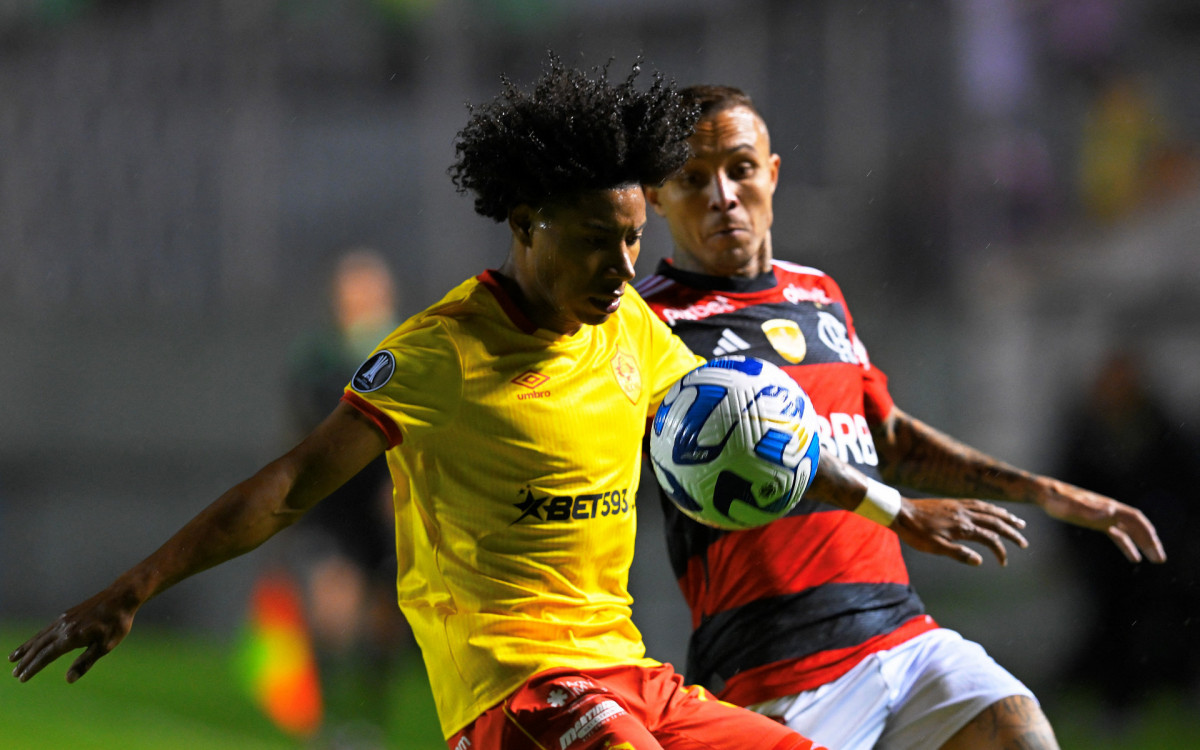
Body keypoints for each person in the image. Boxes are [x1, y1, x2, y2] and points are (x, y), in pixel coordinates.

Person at [9, 58, 827, 750]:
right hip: (516, 690)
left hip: (629, 668)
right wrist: (137, 585)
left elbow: (746, 434)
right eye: (593, 240)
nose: (620, 266)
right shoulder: (439, 354)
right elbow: (290, 486)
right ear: (524, 223)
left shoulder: (629, 328)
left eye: (632, 239)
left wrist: (897, 508)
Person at [635, 84, 1167, 750]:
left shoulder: (818, 295)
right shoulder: (647, 327)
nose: (723, 195)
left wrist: (1045, 492)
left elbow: (886, 438)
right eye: (692, 179)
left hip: (902, 634)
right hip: (772, 669)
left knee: (1023, 732)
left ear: (771, 173)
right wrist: (899, 511)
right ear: (655, 196)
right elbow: (761, 456)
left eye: (740, 168)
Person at [284, 247, 409, 744]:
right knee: (331, 603)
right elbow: (307, 423)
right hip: (334, 500)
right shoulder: (319, 355)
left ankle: (372, 713)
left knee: (383, 610)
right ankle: (329, 715)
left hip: (384, 498)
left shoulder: (407, 346)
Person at [1054, 349, 1200, 718]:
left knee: (1171, 618)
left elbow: (1185, 483)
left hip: (1161, 547)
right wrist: (1077, 545)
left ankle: (1173, 689)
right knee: (1113, 625)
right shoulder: (1086, 435)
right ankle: (1119, 703)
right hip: (1106, 554)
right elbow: (1064, 494)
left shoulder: (1161, 428)